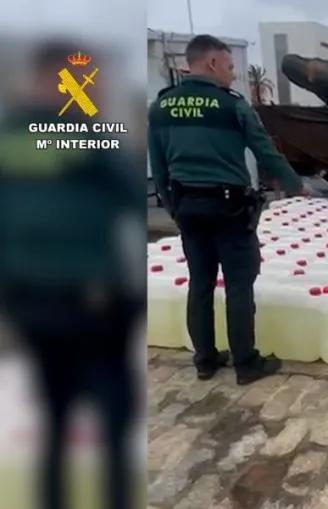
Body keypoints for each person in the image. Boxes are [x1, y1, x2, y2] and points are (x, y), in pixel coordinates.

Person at [1, 41, 142, 509]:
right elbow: (130, 190)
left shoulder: (9, 135)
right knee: (113, 425)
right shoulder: (77, 133)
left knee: (55, 420)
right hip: (90, 305)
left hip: (29, 302)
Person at [148, 34, 305, 385]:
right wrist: (296, 185)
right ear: (213, 63)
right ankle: (246, 364)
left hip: (186, 205)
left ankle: (205, 360)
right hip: (229, 208)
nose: (233, 75)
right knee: (238, 285)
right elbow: (265, 152)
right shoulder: (232, 105)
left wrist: (173, 206)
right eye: (230, 66)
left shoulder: (161, 107)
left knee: (199, 283)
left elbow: (158, 167)